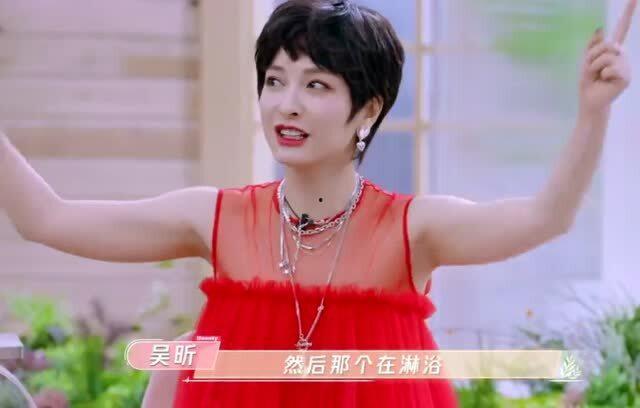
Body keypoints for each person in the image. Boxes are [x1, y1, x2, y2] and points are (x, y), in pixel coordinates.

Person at [0, 0, 636, 406]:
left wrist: (592, 114)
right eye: (274, 81)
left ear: (368, 109)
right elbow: (45, 218)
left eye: (316, 85)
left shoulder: (413, 229)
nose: (287, 104)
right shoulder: (215, 218)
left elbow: (548, 216)